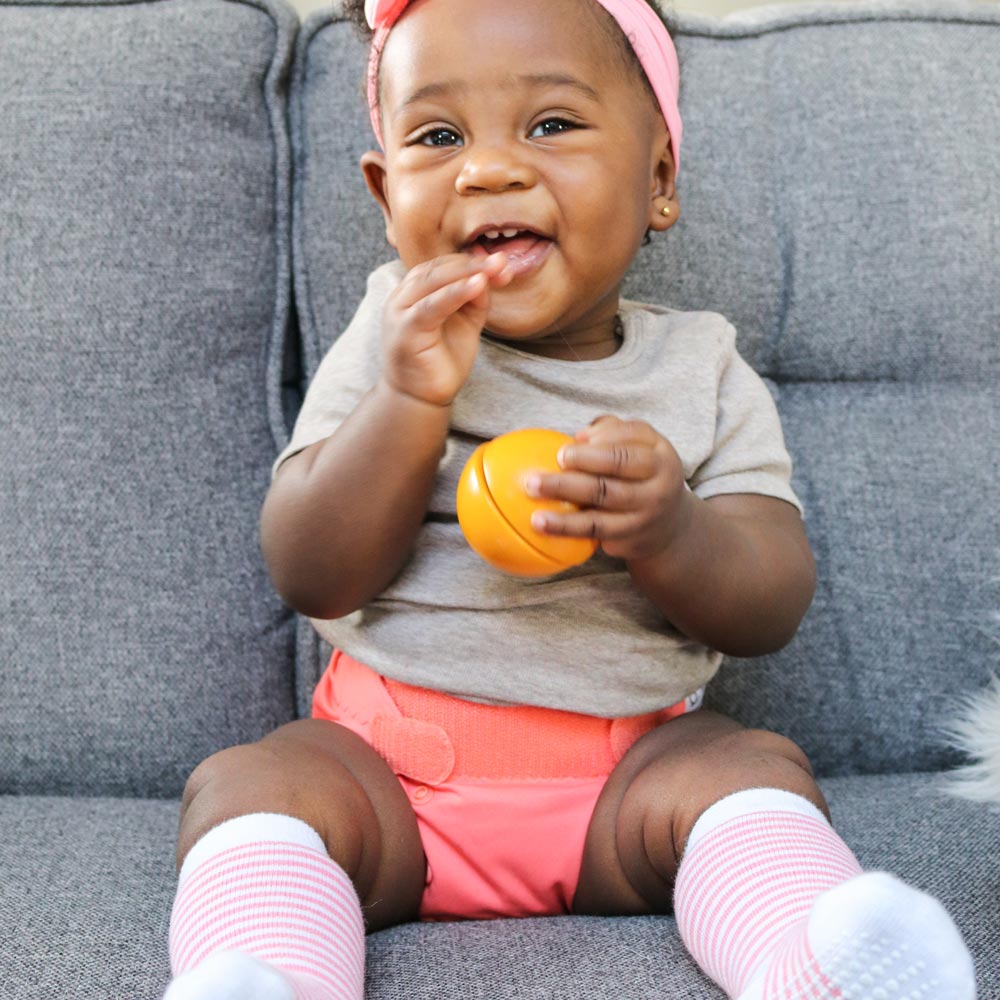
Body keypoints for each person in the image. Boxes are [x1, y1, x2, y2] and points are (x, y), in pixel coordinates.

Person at [164, 0, 976, 997]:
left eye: (550, 124)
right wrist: (409, 400)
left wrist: (670, 528)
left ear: (658, 179)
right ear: (387, 196)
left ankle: (809, 965)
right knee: (252, 781)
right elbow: (308, 567)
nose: (489, 168)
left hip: (625, 788)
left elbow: (771, 601)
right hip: (389, 776)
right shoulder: (394, 334)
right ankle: (271, 975)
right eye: (438, 135)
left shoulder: (701, 371)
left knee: (746, 766)